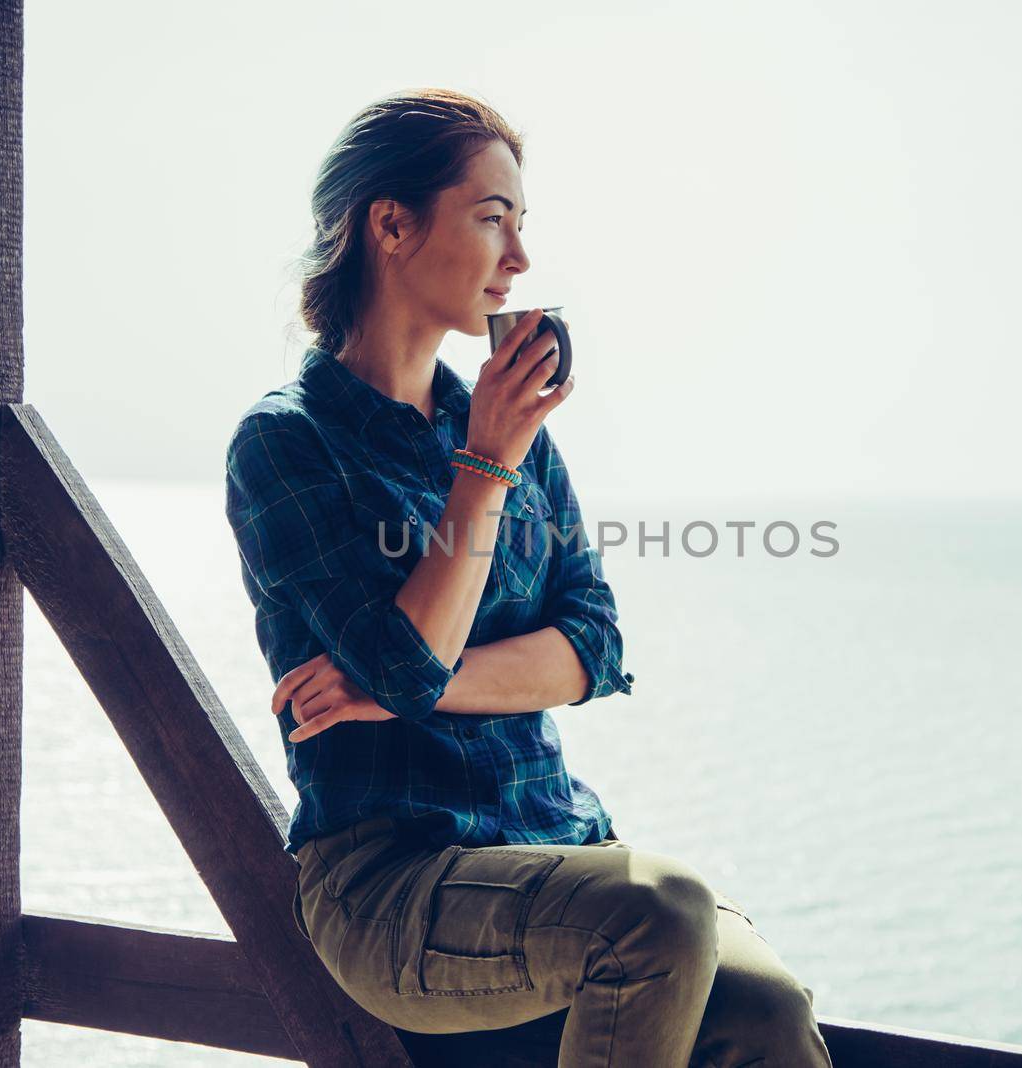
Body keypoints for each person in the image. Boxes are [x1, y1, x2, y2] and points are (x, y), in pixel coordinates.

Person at [223, 87, 832, 1066]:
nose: (519, 259)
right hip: (389, 885)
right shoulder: (289, 442)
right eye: (491, 218)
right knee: (660, 911)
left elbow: (592, 647)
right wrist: (486, 466)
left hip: (550, 843)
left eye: (521, 224)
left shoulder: (504, 426)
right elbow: (405, 661)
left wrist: (401, 691)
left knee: (763, 1010)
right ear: (390, 224)